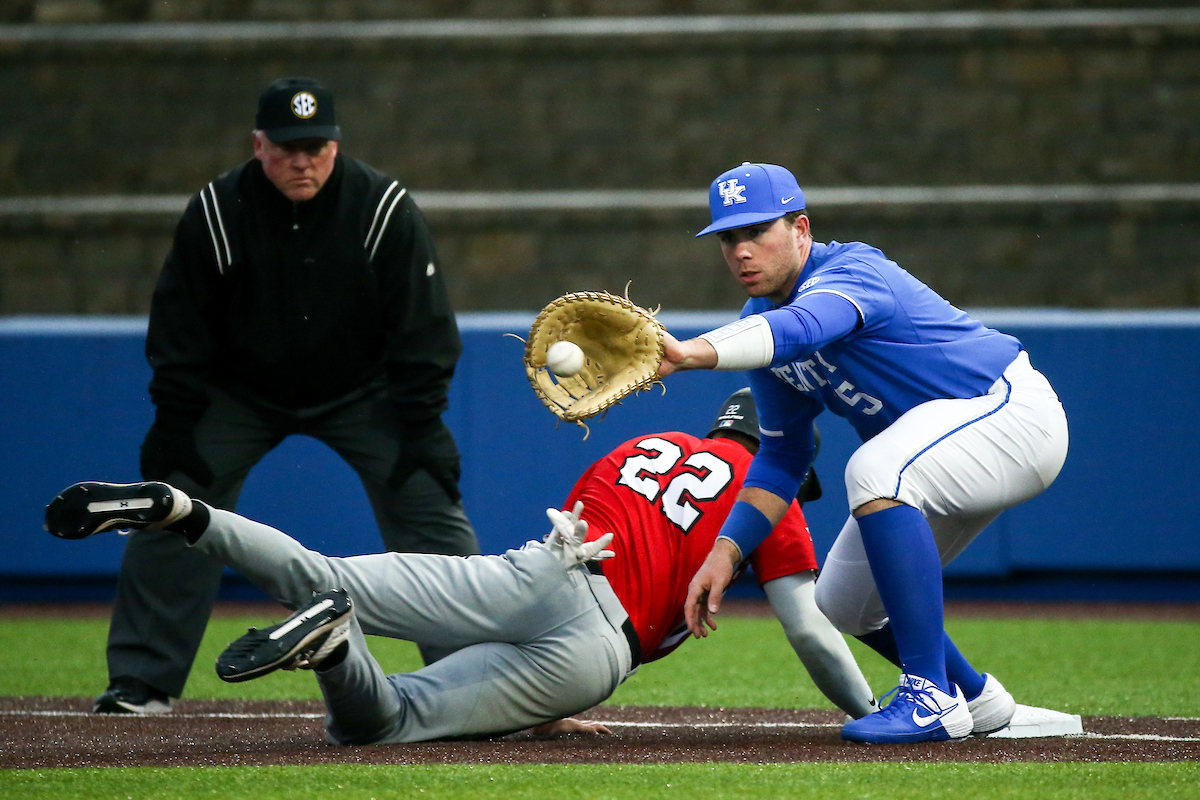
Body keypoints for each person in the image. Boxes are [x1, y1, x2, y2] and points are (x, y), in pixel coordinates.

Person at [45, 390, 878, 744]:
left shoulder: (644, 444)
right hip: (594, 652)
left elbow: (587, 534)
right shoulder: (767, 497)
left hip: (539, 572)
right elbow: (809, 628)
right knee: (386, 721)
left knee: (319, 572)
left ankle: (181, 510)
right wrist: (869, 708)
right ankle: (336, 652)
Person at [97, 76, 480, 715]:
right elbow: (180, 325)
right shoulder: (218, 211)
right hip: (241, 390)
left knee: (429, 504)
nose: (302, 161)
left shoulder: (381, 206)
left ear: (336, 146)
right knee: (174, 501)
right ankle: (140, 683)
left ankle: (479, 680)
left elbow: (424, 326)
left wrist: (423, 426)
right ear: (258, 145)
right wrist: (175, 421)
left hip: (363, 391)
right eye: (287, 148)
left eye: (316, 147)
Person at [659, 163, 1069, 744]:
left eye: (758, 231)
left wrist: (692, 352)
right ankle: (979, 700)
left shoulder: (852, 270)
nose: (742, 250)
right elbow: (783, 456)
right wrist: (724, 554)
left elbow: (804, 326)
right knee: (844, 602)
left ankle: (931, 697)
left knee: (875, 469)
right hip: (943, 453)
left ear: (801, 228)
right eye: (729, 237)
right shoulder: (759, 328)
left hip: (1013, 416)